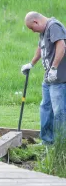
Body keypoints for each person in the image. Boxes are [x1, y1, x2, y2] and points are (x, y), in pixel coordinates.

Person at [21, 11, 66, 145]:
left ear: (36, 22)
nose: (32, 31)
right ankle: (47, 141)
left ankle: (60, 144)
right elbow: (41, 48)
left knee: (59, 111)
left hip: (59, 78)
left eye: (31, 28)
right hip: (48, 79)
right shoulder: (44, 30)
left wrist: (54, 68)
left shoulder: (54, 26)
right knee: (45, 108)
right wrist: (31, 64)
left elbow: (62, 45)